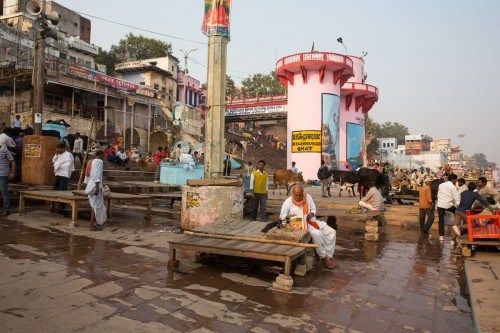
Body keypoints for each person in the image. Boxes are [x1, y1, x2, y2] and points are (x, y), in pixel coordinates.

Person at [279, 184, 337, 269]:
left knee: (332, 232)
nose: (298, 197)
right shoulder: (288, 201)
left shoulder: (308, 197)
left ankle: (329, 255)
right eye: (296, 195)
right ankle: (324, 257)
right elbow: (282, 215)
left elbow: (313, 208)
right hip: (300, 226)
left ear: (303, 192)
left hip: (311, 221)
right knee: (317, 234)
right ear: (292, 193)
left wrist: (311, 213)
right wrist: (288, 216)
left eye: (300, 195)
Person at [85, 150, 106, 231]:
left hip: (91, 184)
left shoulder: (92, 161)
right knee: (95, 207)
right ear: (100, 155)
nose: (104, 157)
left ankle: (95, 223)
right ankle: (91, 225)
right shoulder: (99, 161)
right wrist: (97, 187)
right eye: (103, 155)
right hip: (95, 185)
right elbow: (97, 174)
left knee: (95, 206)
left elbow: (89, 174)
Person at [435, 173, 459, 241]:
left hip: (440, 205)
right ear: (454, 179)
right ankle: (455, 227)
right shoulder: (453, 187)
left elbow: (438, 194)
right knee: (457, 215)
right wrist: (459, 206)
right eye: (456, 180)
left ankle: (441, 236)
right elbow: (456, 198)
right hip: (449, 205)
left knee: (441, 220)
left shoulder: (441, 185)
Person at [0, 145, 16, 216]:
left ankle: (6, 210)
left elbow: (13, 162)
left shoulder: (5, 150)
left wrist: (12, 173)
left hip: (3, 174)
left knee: (4, 193)